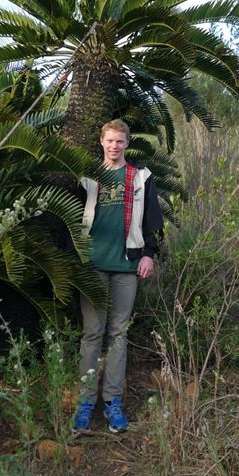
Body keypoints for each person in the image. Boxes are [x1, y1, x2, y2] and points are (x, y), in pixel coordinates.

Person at [73, 119, 163, 434]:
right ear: (102, 142)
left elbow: (152, 218)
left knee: (119, 334)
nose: (114, 146)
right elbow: (72, 216)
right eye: (110, 141)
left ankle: (113, 402)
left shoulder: (140, 177)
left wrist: (149, 253)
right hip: (93, 264)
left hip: (127, 266)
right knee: (92, 333)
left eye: (120, 141)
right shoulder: (87, 178)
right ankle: (85, 402)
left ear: (127, 143)